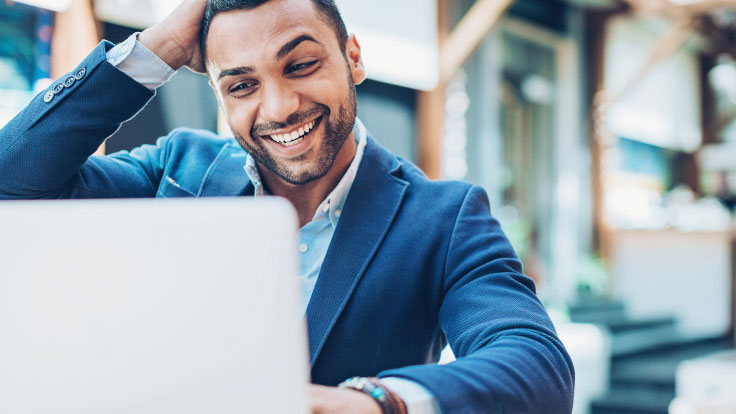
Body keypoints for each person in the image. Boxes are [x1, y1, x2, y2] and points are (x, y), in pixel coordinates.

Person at [0, 0, 575, 412]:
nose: (278, 107)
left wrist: (378, 401)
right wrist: (163, 46)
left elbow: (535, 364)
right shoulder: (174, 169)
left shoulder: (444, 217)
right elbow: (12, 179)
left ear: (352, 57)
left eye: (300, 66)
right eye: (241, 85)